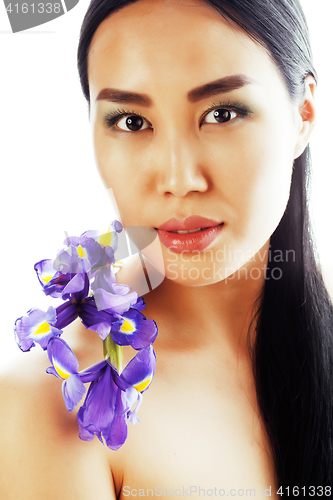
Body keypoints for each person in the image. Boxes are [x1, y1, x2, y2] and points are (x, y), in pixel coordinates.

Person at [0, 0, 332, 498]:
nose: (178, 180)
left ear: (303, 113)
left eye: (222, 113)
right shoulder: (55, 406)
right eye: (131, 121)